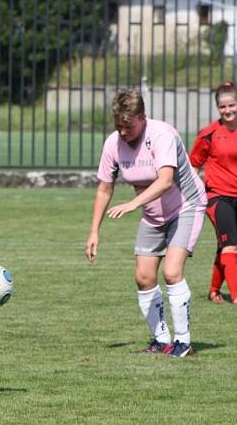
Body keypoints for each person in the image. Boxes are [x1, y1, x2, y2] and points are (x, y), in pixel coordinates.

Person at [85, 89, 207, 358]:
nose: (123, 133)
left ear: (142, 117)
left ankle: (183, 342)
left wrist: (132, 204)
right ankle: (162, 340)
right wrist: (94, 231)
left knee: (172, 272)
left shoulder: (161, 135)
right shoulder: (112, 144)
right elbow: (104, 189)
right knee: (143, 277)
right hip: (153, 215)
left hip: (186, 206)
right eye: (118, 126)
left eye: (127, 127)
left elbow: (165, 181)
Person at [190, 82, 237, 306]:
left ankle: (214, 291)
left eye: (231, 105)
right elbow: (194, 165)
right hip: (216, 196)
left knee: (229, 246)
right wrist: (191, 193)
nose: (228, 110)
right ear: (217, 108)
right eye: (223, 107)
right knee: (230, 245)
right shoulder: (209, 134)